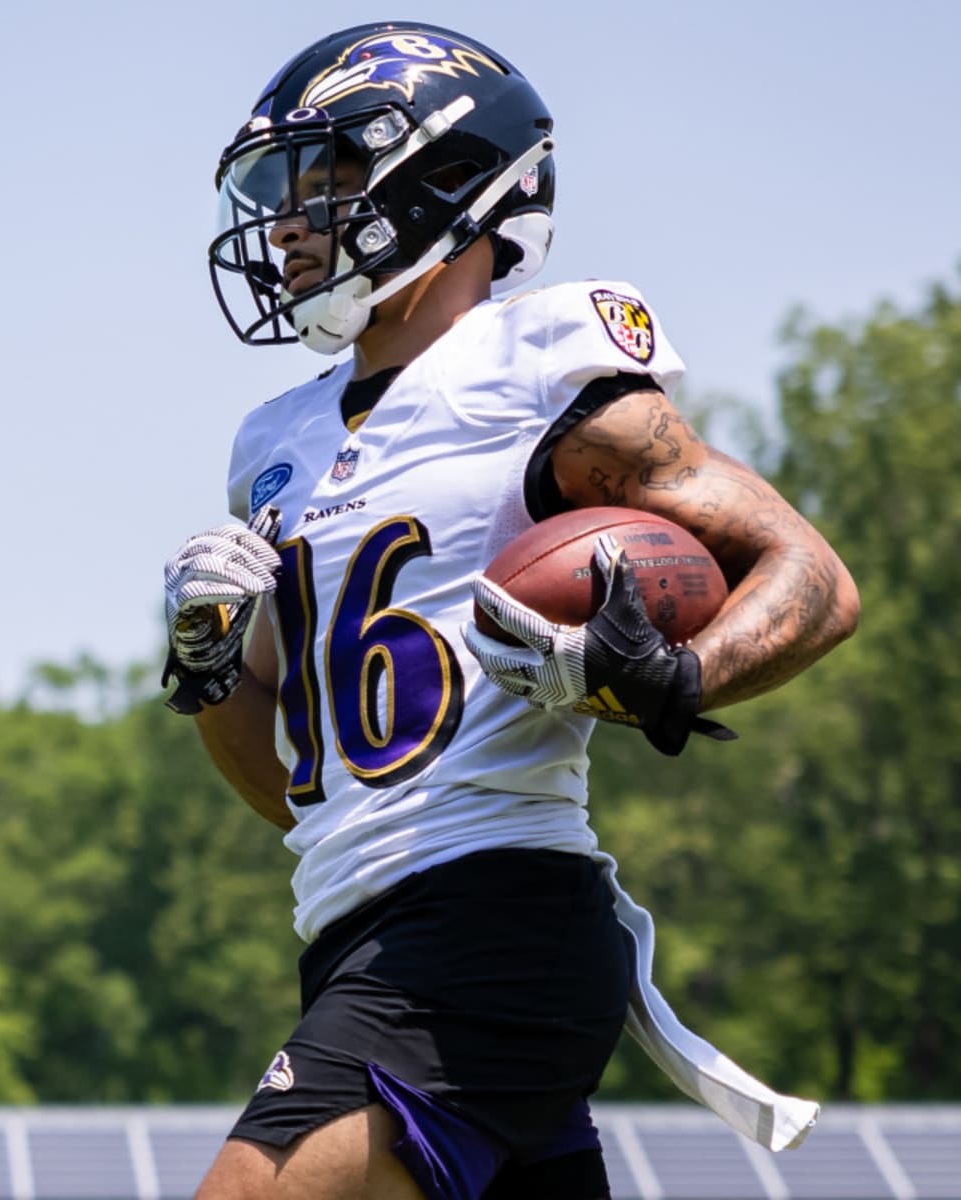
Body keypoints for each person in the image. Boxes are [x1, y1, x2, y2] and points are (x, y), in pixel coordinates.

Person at [160, 22, 860, 1200]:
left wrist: (675, 677)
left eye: (324, 179)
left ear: (443, 180)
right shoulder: (272, 444)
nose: (285, 223)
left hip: (489, 921)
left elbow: (812, 577)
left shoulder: (534, 363)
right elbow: (301, 790)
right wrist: (209, 671)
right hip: (353, 940)